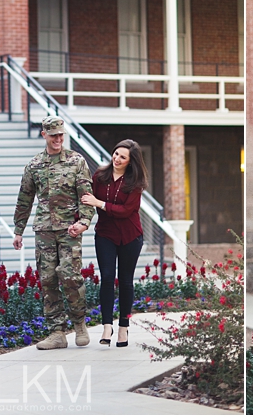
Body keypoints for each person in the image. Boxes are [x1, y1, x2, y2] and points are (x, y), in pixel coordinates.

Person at [12, 116, 95, 350]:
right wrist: (18, 230)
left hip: (70, 229)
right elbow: (24, 199)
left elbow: (86, 196)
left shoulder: (76, 161)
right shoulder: (34, 165)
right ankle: (56, 332)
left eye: (61, 135)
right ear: (44, 135)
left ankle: (79, 324)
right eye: (53, 135)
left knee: (70, 277)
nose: (58, 139)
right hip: (44, 230)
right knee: (47, 280)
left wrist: (85, 222)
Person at [81, 139, 148, 348]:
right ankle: (107, 326)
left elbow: (127, 211)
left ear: (131, 162)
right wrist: (80, 221)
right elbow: (85, 201)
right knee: (107, 278)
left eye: (122, 157)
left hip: (130, 236)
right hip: (106, 235)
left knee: (126, 281)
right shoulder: (100, 176)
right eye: (116, 154)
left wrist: (100, 203)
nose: (117, 159)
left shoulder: (135, 183)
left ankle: (123, 328)